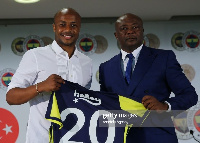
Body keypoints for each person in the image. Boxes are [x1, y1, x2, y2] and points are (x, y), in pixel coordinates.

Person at [99, 13, 198, 143]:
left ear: (142, 31)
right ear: (116, 35)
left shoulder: (164, 58)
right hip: (120, 138)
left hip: (157, 137)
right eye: (124, 28)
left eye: (135, 27)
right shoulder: (106, 67)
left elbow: (190, 95)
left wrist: (165, 106)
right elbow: (104, 105)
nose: (130, 31)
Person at [6, 8, 92, 143]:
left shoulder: (86, 62)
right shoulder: (35, 55)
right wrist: (40, 87)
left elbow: (84, 103)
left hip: (76, 139)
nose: (68, 29)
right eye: (62, 24)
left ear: (79, 28)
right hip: (41, 138)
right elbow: (11, 97)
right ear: (54, 27)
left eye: (73, 25)